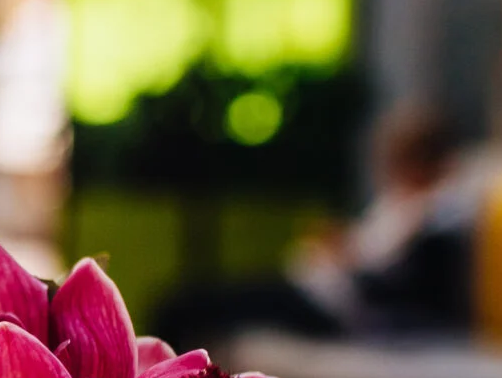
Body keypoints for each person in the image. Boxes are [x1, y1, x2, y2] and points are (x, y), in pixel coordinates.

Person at [150, 99, 478, 351]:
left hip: (331, 307)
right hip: (312, 286)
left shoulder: (440, 213)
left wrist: (346, 257)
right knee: (189, 302)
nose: (388, 165)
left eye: (398, 155)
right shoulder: (401, 202)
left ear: (425, 158)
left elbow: (401, 288)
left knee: (187, 307)